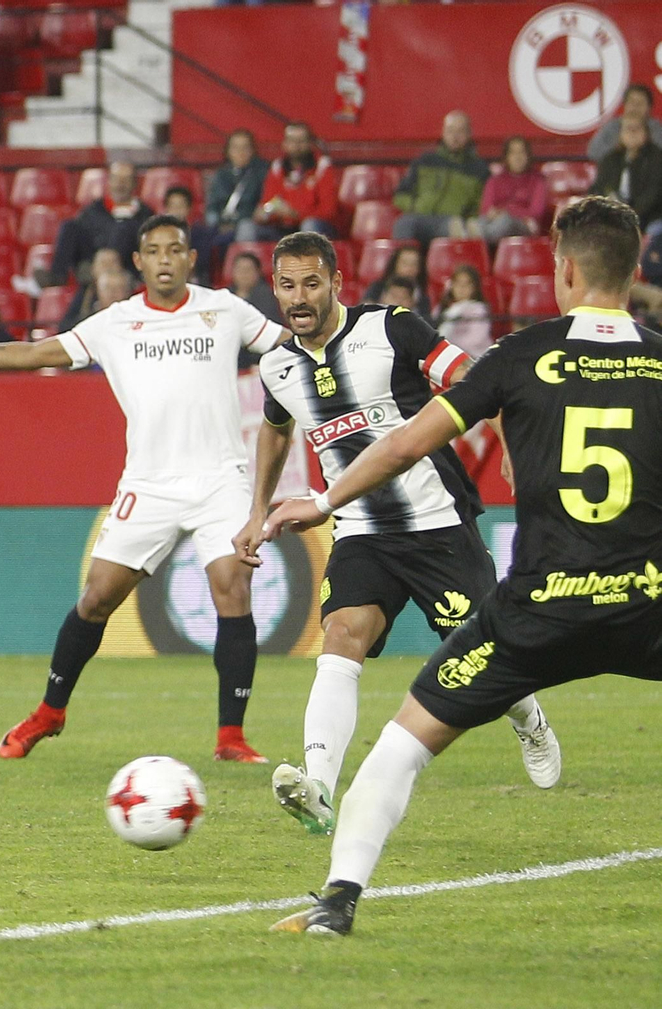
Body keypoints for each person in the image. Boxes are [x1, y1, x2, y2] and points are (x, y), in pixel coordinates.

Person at [264, 195, 662, 937]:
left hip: (539, 611)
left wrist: (322, 498)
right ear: (636, 271)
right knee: (345, 636)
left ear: (564, 268)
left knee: (400, 744)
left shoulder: (520, 356)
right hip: (647, 601)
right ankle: (320, 783)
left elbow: (406, 443)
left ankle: (337, 900)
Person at [0, 214, 285, 763]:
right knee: (97, 596)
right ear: (139, 262)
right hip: (148, 484)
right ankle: (50, 712)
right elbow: (35, 353)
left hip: (220, 478)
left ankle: (230, 738)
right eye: (154, 251)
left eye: (176, 249)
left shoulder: (226, 309)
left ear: (192, 259)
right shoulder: (113, 323)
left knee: (232, 587)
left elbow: (291, 347)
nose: (166, 259)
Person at [233, 231, 557, 837]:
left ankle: (528, 717)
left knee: (486, 651)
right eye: (286, 285)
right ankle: (319, 786)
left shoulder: (393, 329)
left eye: (310, 282)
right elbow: (275, 431)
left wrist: (514, 448)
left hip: (437, 523)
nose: (298, 297)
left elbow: (475, 379)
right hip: (360, 531)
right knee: (342, 634)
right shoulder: (276, 365)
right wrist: (257, 510)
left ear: (336, 282)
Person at [46, 160, 150, 288]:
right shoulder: (94, 210)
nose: (120, 185)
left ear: (134, 184)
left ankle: (100, 276)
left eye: (125, 180)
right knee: (69, 226)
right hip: (91, 264)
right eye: (116, 179)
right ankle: (56, 278)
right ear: (109, 182)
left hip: (125, 269)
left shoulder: (145, 214)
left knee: (125, 227)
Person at [392, 111, 490, 244]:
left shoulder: (480, 169)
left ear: (469, 134)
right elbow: (400, 195)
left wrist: (466, 218)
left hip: (452, 221)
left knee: (458, 229)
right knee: (404, 223)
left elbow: (481, 206)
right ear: (443, 132)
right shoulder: (425, 161)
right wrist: (415, 206)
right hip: (421, 217)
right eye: (450, 131)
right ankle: (405, 264)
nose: (454, 137)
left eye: (460, 131)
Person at [237, 121, 339, 242]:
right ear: (284, 144)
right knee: (246, 227)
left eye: (301, 141)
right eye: (291, 141)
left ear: (310, 143)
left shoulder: (323, 167)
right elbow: (269, 201)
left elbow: (329, 211)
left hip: (315, 227)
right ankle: (249, 261)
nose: (296, 146)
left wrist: (295, 214)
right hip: (281, 227)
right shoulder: (277, 167)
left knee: (309, 227)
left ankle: (308, 261)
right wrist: (264, 213)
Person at [592, 116, 662, 235]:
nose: (632, 133)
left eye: (637, 129)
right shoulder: (610, 159)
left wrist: (629, 215)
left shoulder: (656, 158)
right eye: (628, 129)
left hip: (650, 217)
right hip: (613, 216)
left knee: (654, 230)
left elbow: (653, 194)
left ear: (646, 133)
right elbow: (598, 188)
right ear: (620, 134)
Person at [474, 136, 546, 244]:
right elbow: (485, 209)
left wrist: (507, 211)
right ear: (506, 157)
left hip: (525, 225)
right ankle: (478, 237)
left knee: (505, 221)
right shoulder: (494, 181)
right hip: (495, 222)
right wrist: (495, 213)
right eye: (513, 153)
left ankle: (477, 239)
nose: (517, 157)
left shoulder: (538, 181)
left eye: (521, 152)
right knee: (481, 221)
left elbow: (536, 212)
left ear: (528, 156)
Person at [205, 128, 268, 249]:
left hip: (247, 223)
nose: (240, 152)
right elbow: (212, 206)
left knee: (246, 227)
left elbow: (260, 208)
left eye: (245, 147)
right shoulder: (221, 175)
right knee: (201, 232)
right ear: (228, 151)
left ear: (252, 151)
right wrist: (217, 223)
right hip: (221, 224)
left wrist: (235, 223)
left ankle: (243, 265)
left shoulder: (261, 173)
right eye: (235, 147)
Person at [586, 83, 662, 163]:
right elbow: (593, 152)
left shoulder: (655, 128)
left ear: (649, 108)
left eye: (641, 102)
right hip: (615, 171)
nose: (635, 106)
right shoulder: (612, 126)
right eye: (631, 102)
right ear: (624, 105)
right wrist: (620, 144)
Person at [59, 246, 127, 331]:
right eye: (103, 263)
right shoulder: (85, 293)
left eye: (112, 263)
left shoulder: (131, 294)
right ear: (93, 268)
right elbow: (66, 326)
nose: (108, 267)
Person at [434, 263, 492, 359]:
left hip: (475, 360)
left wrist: (449, 346)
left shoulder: (479, 310)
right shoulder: (441, 310)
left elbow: (475, 340)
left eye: (467, 284)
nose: (461, 288)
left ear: (474, 288)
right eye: (458, 283)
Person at [363, 246, 430, 317]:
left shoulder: (422, 295)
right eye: (405, 263)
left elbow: (427, 321)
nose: (410, 268)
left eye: (414, 264)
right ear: (395, 264)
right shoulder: (377, 287)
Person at [228, 251, 282, 325]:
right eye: (239, 269)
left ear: (258, 273)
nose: (243, 274)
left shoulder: (266, 296)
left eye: (248, 269)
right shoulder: (225, 295)